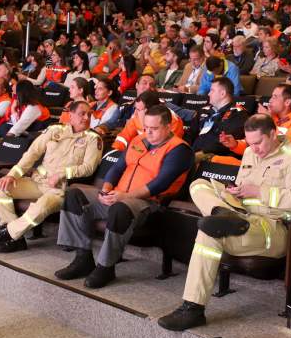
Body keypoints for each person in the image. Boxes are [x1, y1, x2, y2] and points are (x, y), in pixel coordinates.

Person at [158, 114, 291, 331]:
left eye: (258, 142)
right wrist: (236, 192)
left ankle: (192, 308)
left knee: (207, 233)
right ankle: (221, 212)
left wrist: (259, 191)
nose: (254, 149)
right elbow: (243, 186)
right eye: (250, 143)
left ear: (273, 134)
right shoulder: (249, 152)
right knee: (199, 184)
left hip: (270, 228)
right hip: (240, 215)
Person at [55, 104, 193, 288]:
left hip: (148, 204)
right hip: (117, 195)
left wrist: (124, 196)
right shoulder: (139, 140)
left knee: (120, 209)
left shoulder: (179, 150)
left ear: (168, 127)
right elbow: (117, 168)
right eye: (146, 128)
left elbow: (160, 184)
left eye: (154, 129)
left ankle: (106, 267)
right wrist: (106, 189)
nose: (148, 133)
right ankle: (82, 258)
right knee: (73, 194)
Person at [0, 101, 104, 254]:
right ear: (70, 116)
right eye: (82, 114)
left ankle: (6, 234)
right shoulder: (55, 130)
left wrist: (62, 174)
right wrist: (12, 175)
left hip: (60, 189)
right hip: (37, 182)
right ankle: (15, 238)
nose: (86, 118)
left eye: (89, 114)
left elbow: (88, 168)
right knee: (0, 187)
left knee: (41, 206)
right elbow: (32, 153)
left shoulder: (93, 139)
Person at [189, 77, 248, 159]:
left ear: (223, 94)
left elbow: (224, 142)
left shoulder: (238, 112)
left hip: (215, 155)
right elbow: (190, 134)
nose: (209, 94)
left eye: (212, 90)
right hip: (192, 153)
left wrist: (200, 152)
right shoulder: (204, 110)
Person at [112, 90, 184, 150]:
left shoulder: (172, 121)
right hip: (141, 152)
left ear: (150, 110)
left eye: (139, 110)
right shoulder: (136, 117)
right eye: (136, 108)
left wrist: (134, 148)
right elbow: (124, 137)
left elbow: (166, 147)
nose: (136, 112)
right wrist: (116, 150)